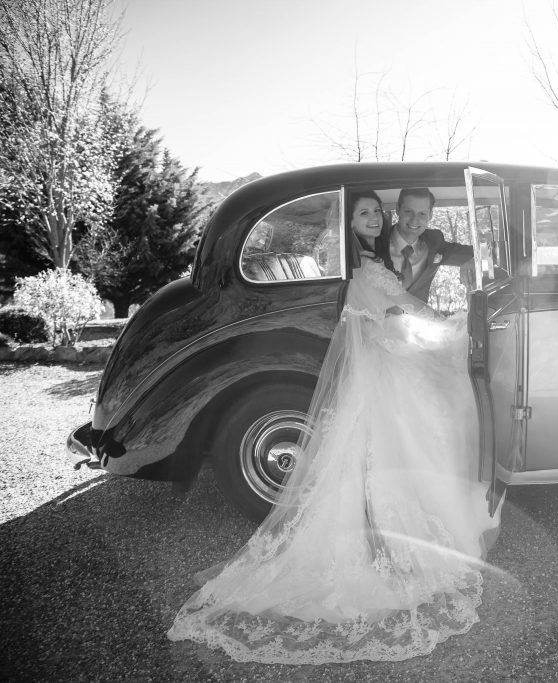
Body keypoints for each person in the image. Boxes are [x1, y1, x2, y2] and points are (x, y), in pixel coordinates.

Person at [167, 190, 500, 664]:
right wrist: (454, 321)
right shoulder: (365, 264)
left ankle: (399, 511)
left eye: (375, 213)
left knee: (411, 415)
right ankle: (404, 525)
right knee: (418, 416)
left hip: (385, 347)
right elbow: (402, 301)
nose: (377, 218)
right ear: (350, 222)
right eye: (365, 213)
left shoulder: (382, 250)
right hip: (382, 360)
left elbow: (397, 303)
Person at [384, 187, 474, 302]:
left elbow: (480, 252)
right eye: (408, 211)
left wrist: (471, 260)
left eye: (422, 213)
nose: (414, 220)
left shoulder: (435, 243)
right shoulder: (375, 242)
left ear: (430, 215)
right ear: (397, 209)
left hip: (418, 318)